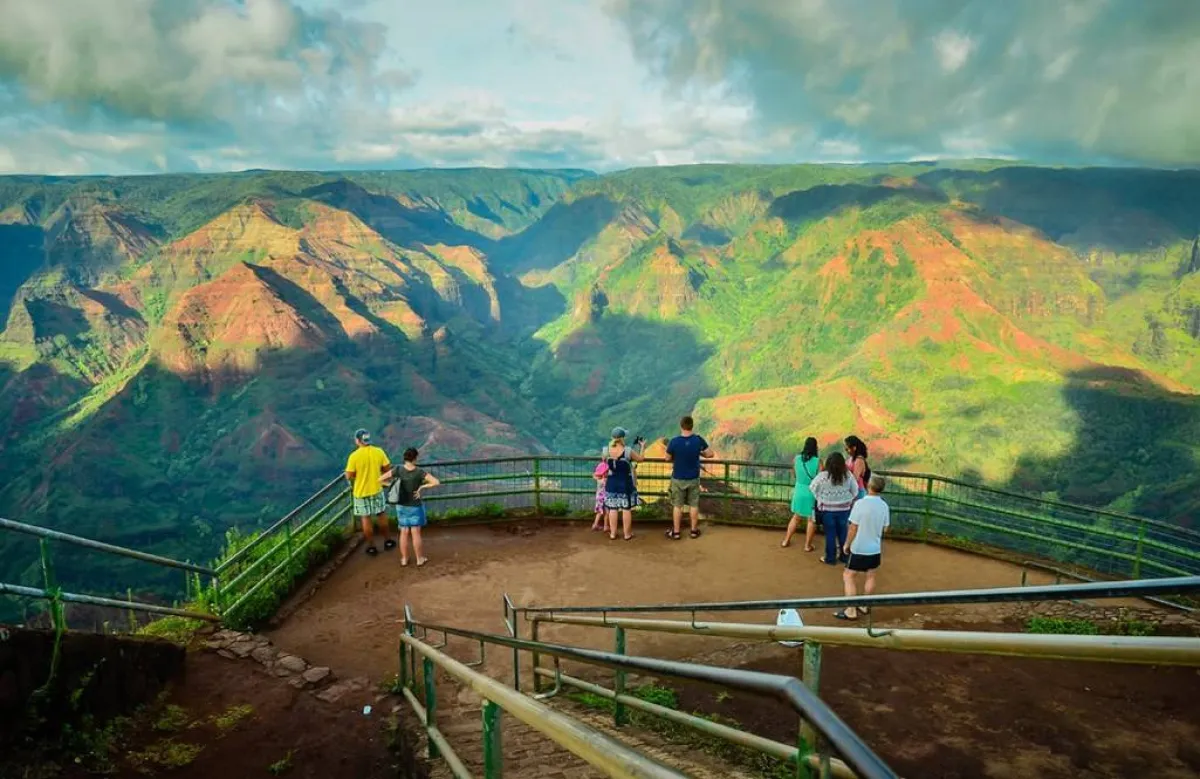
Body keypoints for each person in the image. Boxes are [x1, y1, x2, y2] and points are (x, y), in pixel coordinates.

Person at [835, 476, 890, 620]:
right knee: (871, 575)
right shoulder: (884, 506)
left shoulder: (860, 504)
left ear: (868, 486)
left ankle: (851, 610)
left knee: (848, 575)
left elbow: (853, 527)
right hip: (875, 548)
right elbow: (886, 529)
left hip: (859, 547)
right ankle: (865, 605)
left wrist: (846, 544)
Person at [386, 447, 440, 567]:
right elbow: (436, 482)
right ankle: (419, 559)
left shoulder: (398, 469)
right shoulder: (419, 472)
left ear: (404, 458)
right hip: (415, 505)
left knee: (404, 531)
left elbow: (379, 479)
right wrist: (421, 487)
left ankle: (404, 559)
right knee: (415, 532)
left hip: (401, 505)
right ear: (415, 458)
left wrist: (393, 486)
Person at [664, 415, 714, 540]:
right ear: (692, 426)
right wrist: (699, 452)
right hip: (693, 478)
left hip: (678, 477)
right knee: (693, 505)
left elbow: (667, 458)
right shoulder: (698, 440)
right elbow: (710, 454)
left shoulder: (674, 441)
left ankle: (676, 532)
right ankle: (693, 531)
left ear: (681, 426)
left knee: (677, 506)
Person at [345, 429, 393, 556]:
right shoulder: (379, 451)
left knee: (366, 519)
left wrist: (357, 474)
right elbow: (387, 468)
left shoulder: (354, 456)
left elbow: (349, 475)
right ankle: (388, 541)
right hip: (377, 489)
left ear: (357, 440)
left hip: (361, 492)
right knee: (381, 515)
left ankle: (371, 547)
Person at [808, 452, 858, 565]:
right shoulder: (848, 475)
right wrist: (846, 498)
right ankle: (844, 557)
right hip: (844, 510)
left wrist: (821, 498)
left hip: (827, 511)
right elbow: (855, 491)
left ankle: (830, 558)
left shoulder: (822, 476)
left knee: (830, 534)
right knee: (843, 533)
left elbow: (812, 488)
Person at [604, 427, 644, 541]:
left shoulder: (606, 450)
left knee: (613, 508)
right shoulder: (627, 450)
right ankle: (627, 534)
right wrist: (642, 447)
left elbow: (603, 461)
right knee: (626, 509)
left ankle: (613, 534)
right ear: (622, 438)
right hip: (625, 482)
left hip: (611, 482)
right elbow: (641, 459)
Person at [781, 437, 820, 550]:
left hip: (798, 490)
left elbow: (794, 474)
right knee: (811, 520)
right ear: (815, 447)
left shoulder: (796, 459)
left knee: (796, 517)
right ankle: (807, 546)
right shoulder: (818, 461)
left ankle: (786, 541)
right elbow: (820, 479)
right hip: (811, 492)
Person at [591, 458, 610, 531]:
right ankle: (605, 526)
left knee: (599, 512)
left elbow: (594, 475)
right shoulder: (606, 480)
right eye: (607, 471)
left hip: (599, 498)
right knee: (607, 512)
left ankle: (595, 524)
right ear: (605, 472)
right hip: (606, 498)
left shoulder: (598, 479)